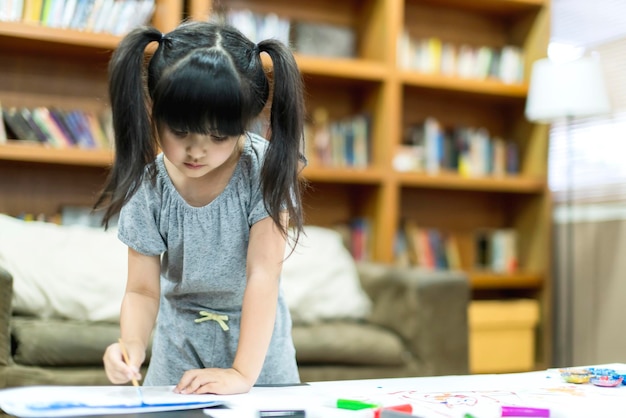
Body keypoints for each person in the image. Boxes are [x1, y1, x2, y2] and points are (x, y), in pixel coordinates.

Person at [93, 20, 307, 395]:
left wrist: (241, 374)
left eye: (219, 136)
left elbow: (263, 275)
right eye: (180, 131)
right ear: (154, 111)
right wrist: (130, 346)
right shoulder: (151, 186)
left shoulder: (264, 169)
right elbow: (142, 290)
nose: (196, 151)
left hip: (258, 355)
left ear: (245, 121)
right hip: (178, 350)